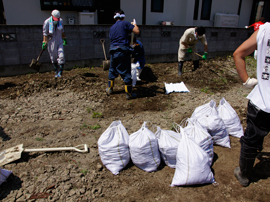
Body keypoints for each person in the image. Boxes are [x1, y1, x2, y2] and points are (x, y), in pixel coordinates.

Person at [233, 22, 270, 187]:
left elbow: (238, 53)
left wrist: (246, 80)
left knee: (250, 140)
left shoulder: (265, 30)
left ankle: (244, 174)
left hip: (263, 101)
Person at [106, 9, 139, 99]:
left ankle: (110, 89)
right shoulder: (125, 24)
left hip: (113, 51)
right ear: (123, 17)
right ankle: (129, 94)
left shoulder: (112, 28)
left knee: (112, 69)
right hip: (123, 52)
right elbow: (137, 31)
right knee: (126, 72)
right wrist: (134, 24)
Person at [42, 9, 67, 78]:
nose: (57, 19)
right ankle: (56, 71)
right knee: (53, 57)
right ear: (52, 16)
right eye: (56, 18)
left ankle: (60, 72)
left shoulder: (60, 21)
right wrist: (44, 42)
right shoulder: (47, 22)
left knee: (61, 55)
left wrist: (64, 38)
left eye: (58, 18)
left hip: (59, 40)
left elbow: (62, 31)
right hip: (51, 41)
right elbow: (45, 33)